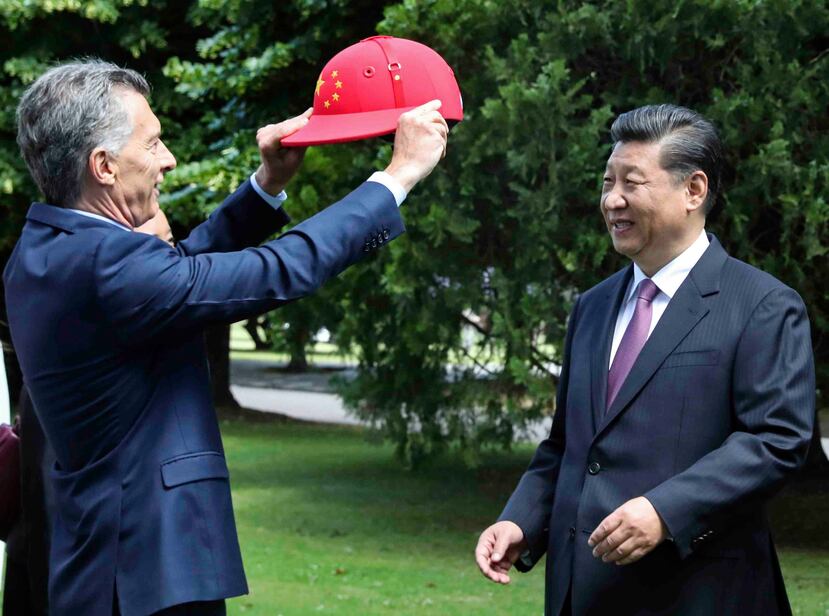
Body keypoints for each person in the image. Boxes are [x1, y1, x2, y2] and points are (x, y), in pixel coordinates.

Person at [4, 59, 448, 615]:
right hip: (146, 577)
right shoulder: (107, 268)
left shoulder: (48, 248)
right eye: (154, 143)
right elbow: (273, 270)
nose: (168, 159)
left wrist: (267, 186)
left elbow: (180, 275)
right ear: (105, 167)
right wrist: (396, 179)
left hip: (113, 568)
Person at [475, 104, 815, 615]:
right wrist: (520, 519)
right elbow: (569, 445)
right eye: (607, 182)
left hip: (697, 595)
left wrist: (665, 510)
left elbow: (776, 440)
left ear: (693, 191)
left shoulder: (762, 305)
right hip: (579, 595)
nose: (613, 200)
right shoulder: (592, 307)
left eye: (632, 182)